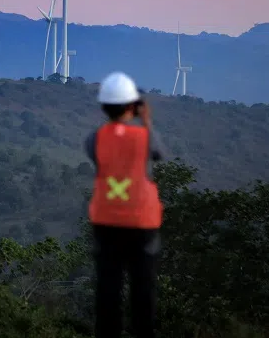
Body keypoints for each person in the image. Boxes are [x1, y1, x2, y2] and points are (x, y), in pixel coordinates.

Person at [84, 71, 167, 338]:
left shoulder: (94, 139)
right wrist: (146, 121)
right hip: (141, 222)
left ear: (103, 107)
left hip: (106, 221)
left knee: (108, 288)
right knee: (143, 289)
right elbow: (159, 154)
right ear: (133, 105)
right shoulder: (144, 138)